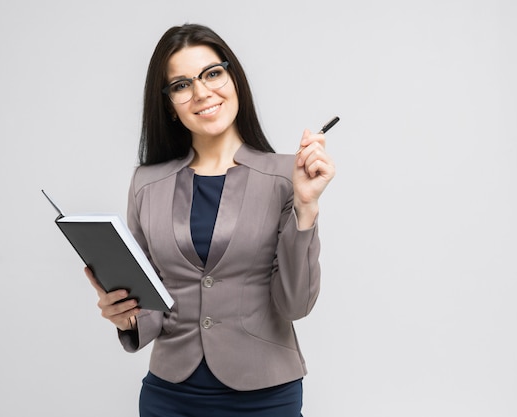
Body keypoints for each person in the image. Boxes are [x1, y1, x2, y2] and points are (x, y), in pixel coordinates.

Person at [84, 23, 335, 417]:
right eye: (182, 85)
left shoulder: (287, 177)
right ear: (169, 103)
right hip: (169, 395)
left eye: (212, 73)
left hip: (265, 396)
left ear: (232, 77)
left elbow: (295, 303)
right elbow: (153, 301)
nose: (202, 92)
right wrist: (126, 314)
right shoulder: (147, 183)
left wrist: (306, 207)